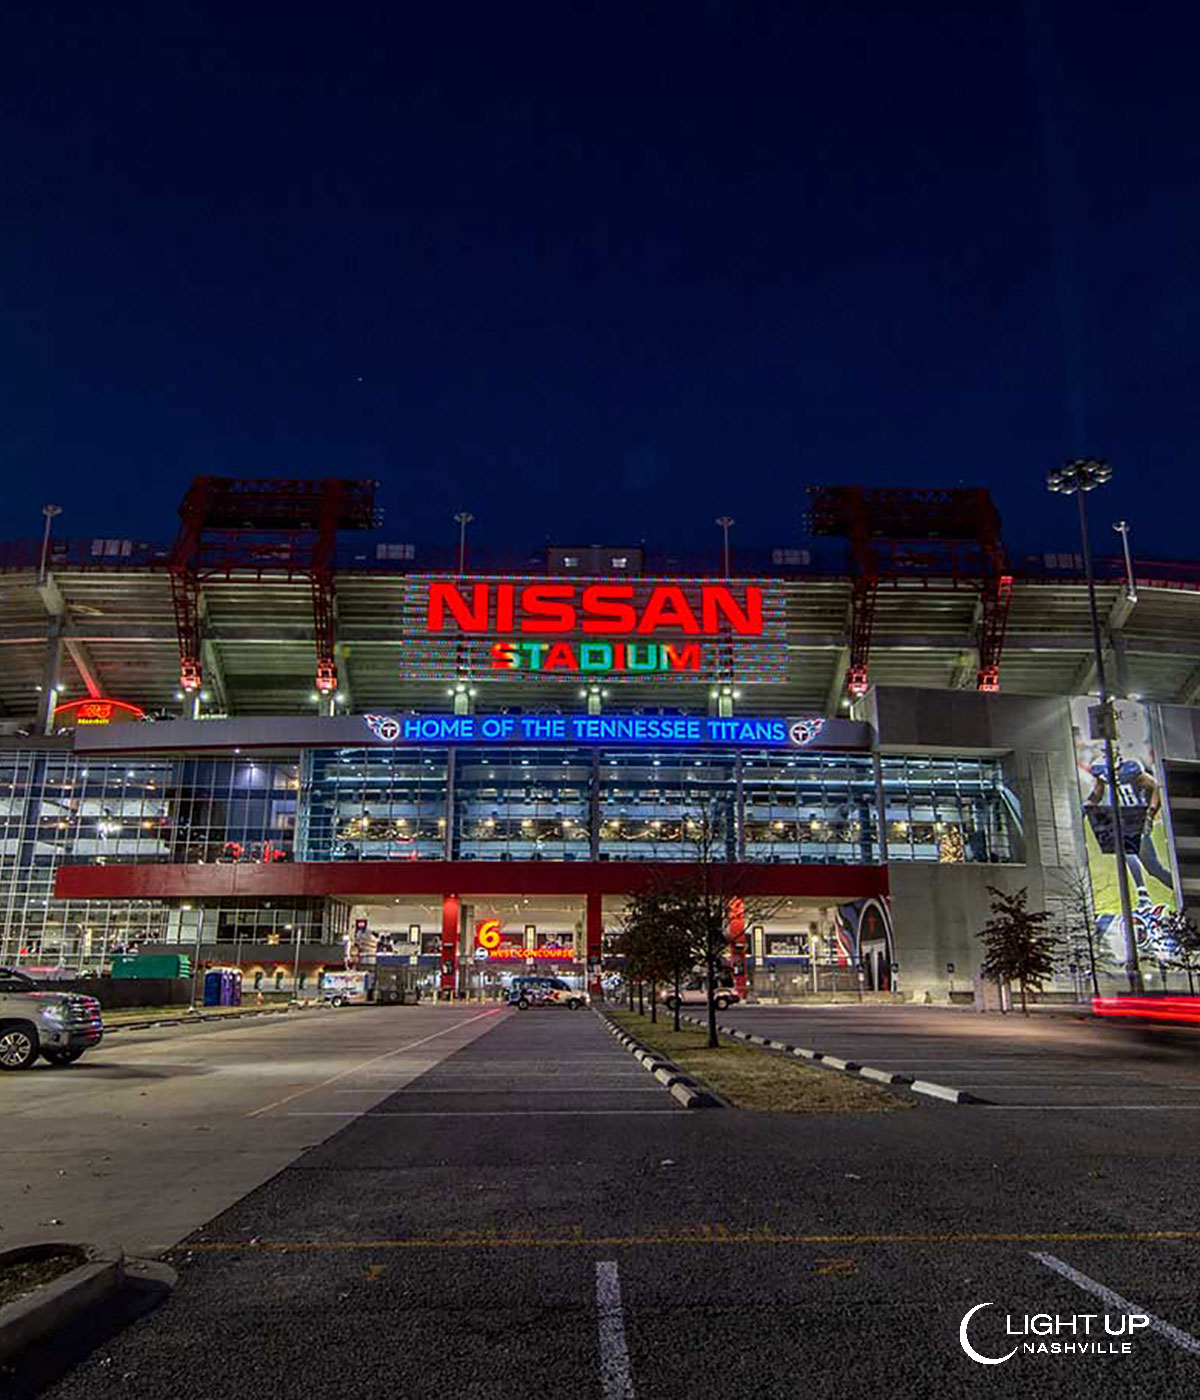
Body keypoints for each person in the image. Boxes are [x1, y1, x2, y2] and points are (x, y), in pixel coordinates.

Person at [1084, 754, 1174, 905]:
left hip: (1136, 816)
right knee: (1126, 850)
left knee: (1154, 869)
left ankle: (1179, 889)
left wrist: (1150, 813)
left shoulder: (1131, 769)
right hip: (1118, 818)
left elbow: (1155, 787)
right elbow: (1097, 794)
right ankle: (1143, 894)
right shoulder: (1100, 770)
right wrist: (1084, 808)